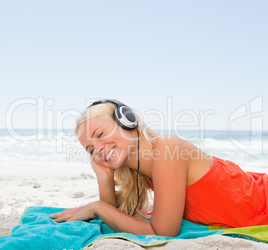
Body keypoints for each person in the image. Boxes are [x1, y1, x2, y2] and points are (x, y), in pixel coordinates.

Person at [49, 100, 268, 237]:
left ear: (127, 120)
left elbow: (162, 233)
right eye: (90, 149)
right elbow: (117, 218)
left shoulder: (166, 148)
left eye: (100, 135)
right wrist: (104, 176)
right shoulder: (141, 173)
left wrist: (97, 207)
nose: (98, 149)